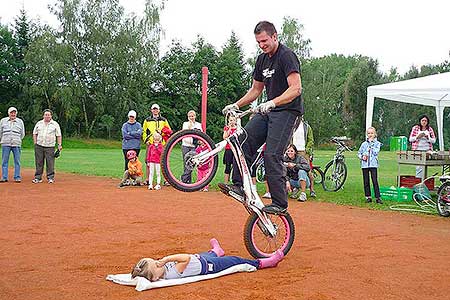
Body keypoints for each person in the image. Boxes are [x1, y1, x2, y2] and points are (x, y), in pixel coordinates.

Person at [220, 21, 303, 214]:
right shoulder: (262, 60)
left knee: (271, 154)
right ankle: (239, 185)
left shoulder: (286, 56)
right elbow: (256, 90)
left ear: (275, 36)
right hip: (270, 110)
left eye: (264, 40)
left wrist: (273, 102)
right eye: (258, 42)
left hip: (288, 112)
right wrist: (236, 105)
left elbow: (296, 88)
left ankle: (279, 203)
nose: (262, 45)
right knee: (241, 140)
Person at [130, 238, 284, 282]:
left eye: (154, 260)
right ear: (156, 278)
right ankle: (262, 263)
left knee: (207, 253)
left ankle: (217, 251)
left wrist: (162, 262)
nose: (158, 262)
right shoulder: (171, 274)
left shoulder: (163, 269)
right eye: (156, 265)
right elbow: (186, 258)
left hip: (202, 258)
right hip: (210, 266)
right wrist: (166, 259)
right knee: (234, 260)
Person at [142, 103, 171, 184]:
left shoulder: (163, 120)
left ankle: (166, 180)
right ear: (151, 110)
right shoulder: (147, 120)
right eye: (153, 109)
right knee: (148, 160)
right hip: (151, 143)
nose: (155, 110)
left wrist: (162, 133)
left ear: (159, 110)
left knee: (163, 161)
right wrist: (146, 140)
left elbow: (168, 130)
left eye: (156, 109)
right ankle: (148, 179)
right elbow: (144, 131)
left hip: (161, 143)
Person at [32, 109, 62, 184]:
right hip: (39, 145)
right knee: (39, 162)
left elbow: (58, 135)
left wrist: (59, 145)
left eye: (48, 115)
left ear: (51, 116)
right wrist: (35, 143)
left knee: (50, 162)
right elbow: (34, 133)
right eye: (46, 114)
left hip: (50, 146)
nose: (47, 116)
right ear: (43, 115)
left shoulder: (55, 124)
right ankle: (38, 178)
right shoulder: (39, 123)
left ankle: (50, 177)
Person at [292, 118, 316, 197]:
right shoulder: (292, 126)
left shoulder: (306, 127)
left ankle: (312, 189)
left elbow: (311, 140)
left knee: (308, 170)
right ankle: (295, 189)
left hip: (303, 151)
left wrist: (307, 149)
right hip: (293, 151)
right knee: (293, 170)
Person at [0, 107, 25, 183]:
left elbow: (22, 133)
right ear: (8, 113)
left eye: (14, 113)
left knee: (17, 161)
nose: (13, 114)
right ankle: (4, 177)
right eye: (11, 113)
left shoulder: (20, 121)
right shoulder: (3, 121)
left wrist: (18, 139)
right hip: (5, 143)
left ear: (16, 113)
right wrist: (3, 140)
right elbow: (0, 132)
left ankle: (17, 177)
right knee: (4, 161)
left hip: (16, 143)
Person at [357, 127, 382, 204]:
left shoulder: (377, 144)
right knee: (366, 181)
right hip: (365, 165)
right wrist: (362, 157)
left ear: (375, 134)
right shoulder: (364, 144)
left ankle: (378, 197)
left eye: (372, 133)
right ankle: (368, 197)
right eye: (368, 133)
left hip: (373, 165)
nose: (370, 135)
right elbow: (359, 153)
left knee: (374, 181)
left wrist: (371, 145)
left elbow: (376, 152)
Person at [181, 110, 202, 183]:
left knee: (192, 163)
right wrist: (190, 125)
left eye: (192, 116)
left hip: (194, 145)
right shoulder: (185, 124)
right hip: (185, 145)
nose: (191, 117)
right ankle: (187, 180)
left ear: (195, 116)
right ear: (188, 117)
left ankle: (183, 178)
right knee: (186, 162)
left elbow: (200, 134)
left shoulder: (198, 124)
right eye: (190, 116)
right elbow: (185, 132)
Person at [222, 116, 237, 184]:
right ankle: (226, 183)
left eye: (233, 120)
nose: (232, 122)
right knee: (228, 166)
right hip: (228, 149)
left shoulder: (238, 129)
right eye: (231, 120)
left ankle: (235, 182)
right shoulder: (227, 128)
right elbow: (224, 137)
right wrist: (229, 129)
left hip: (235, 149)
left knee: (235, 166)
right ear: (228, 121)